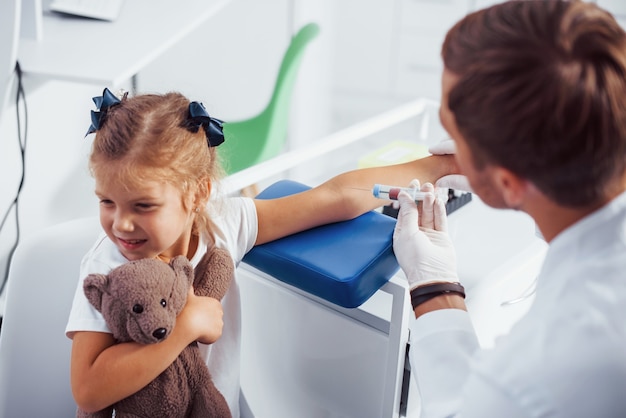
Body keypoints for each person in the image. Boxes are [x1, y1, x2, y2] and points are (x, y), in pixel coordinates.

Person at [64, 88, 457, 416]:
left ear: (198, 193)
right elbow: (88, 388)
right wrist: (183, 327)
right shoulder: (108, 264)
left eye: (143, 206)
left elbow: (334, 196)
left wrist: (442, 165)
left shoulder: (225, 225)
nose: (121, 224)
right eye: (107, 202)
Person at [392, 1, 626, 417]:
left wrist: (435, 286)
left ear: (508, 181)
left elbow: (461, 409)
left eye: (452, 130)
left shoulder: (549, 364)